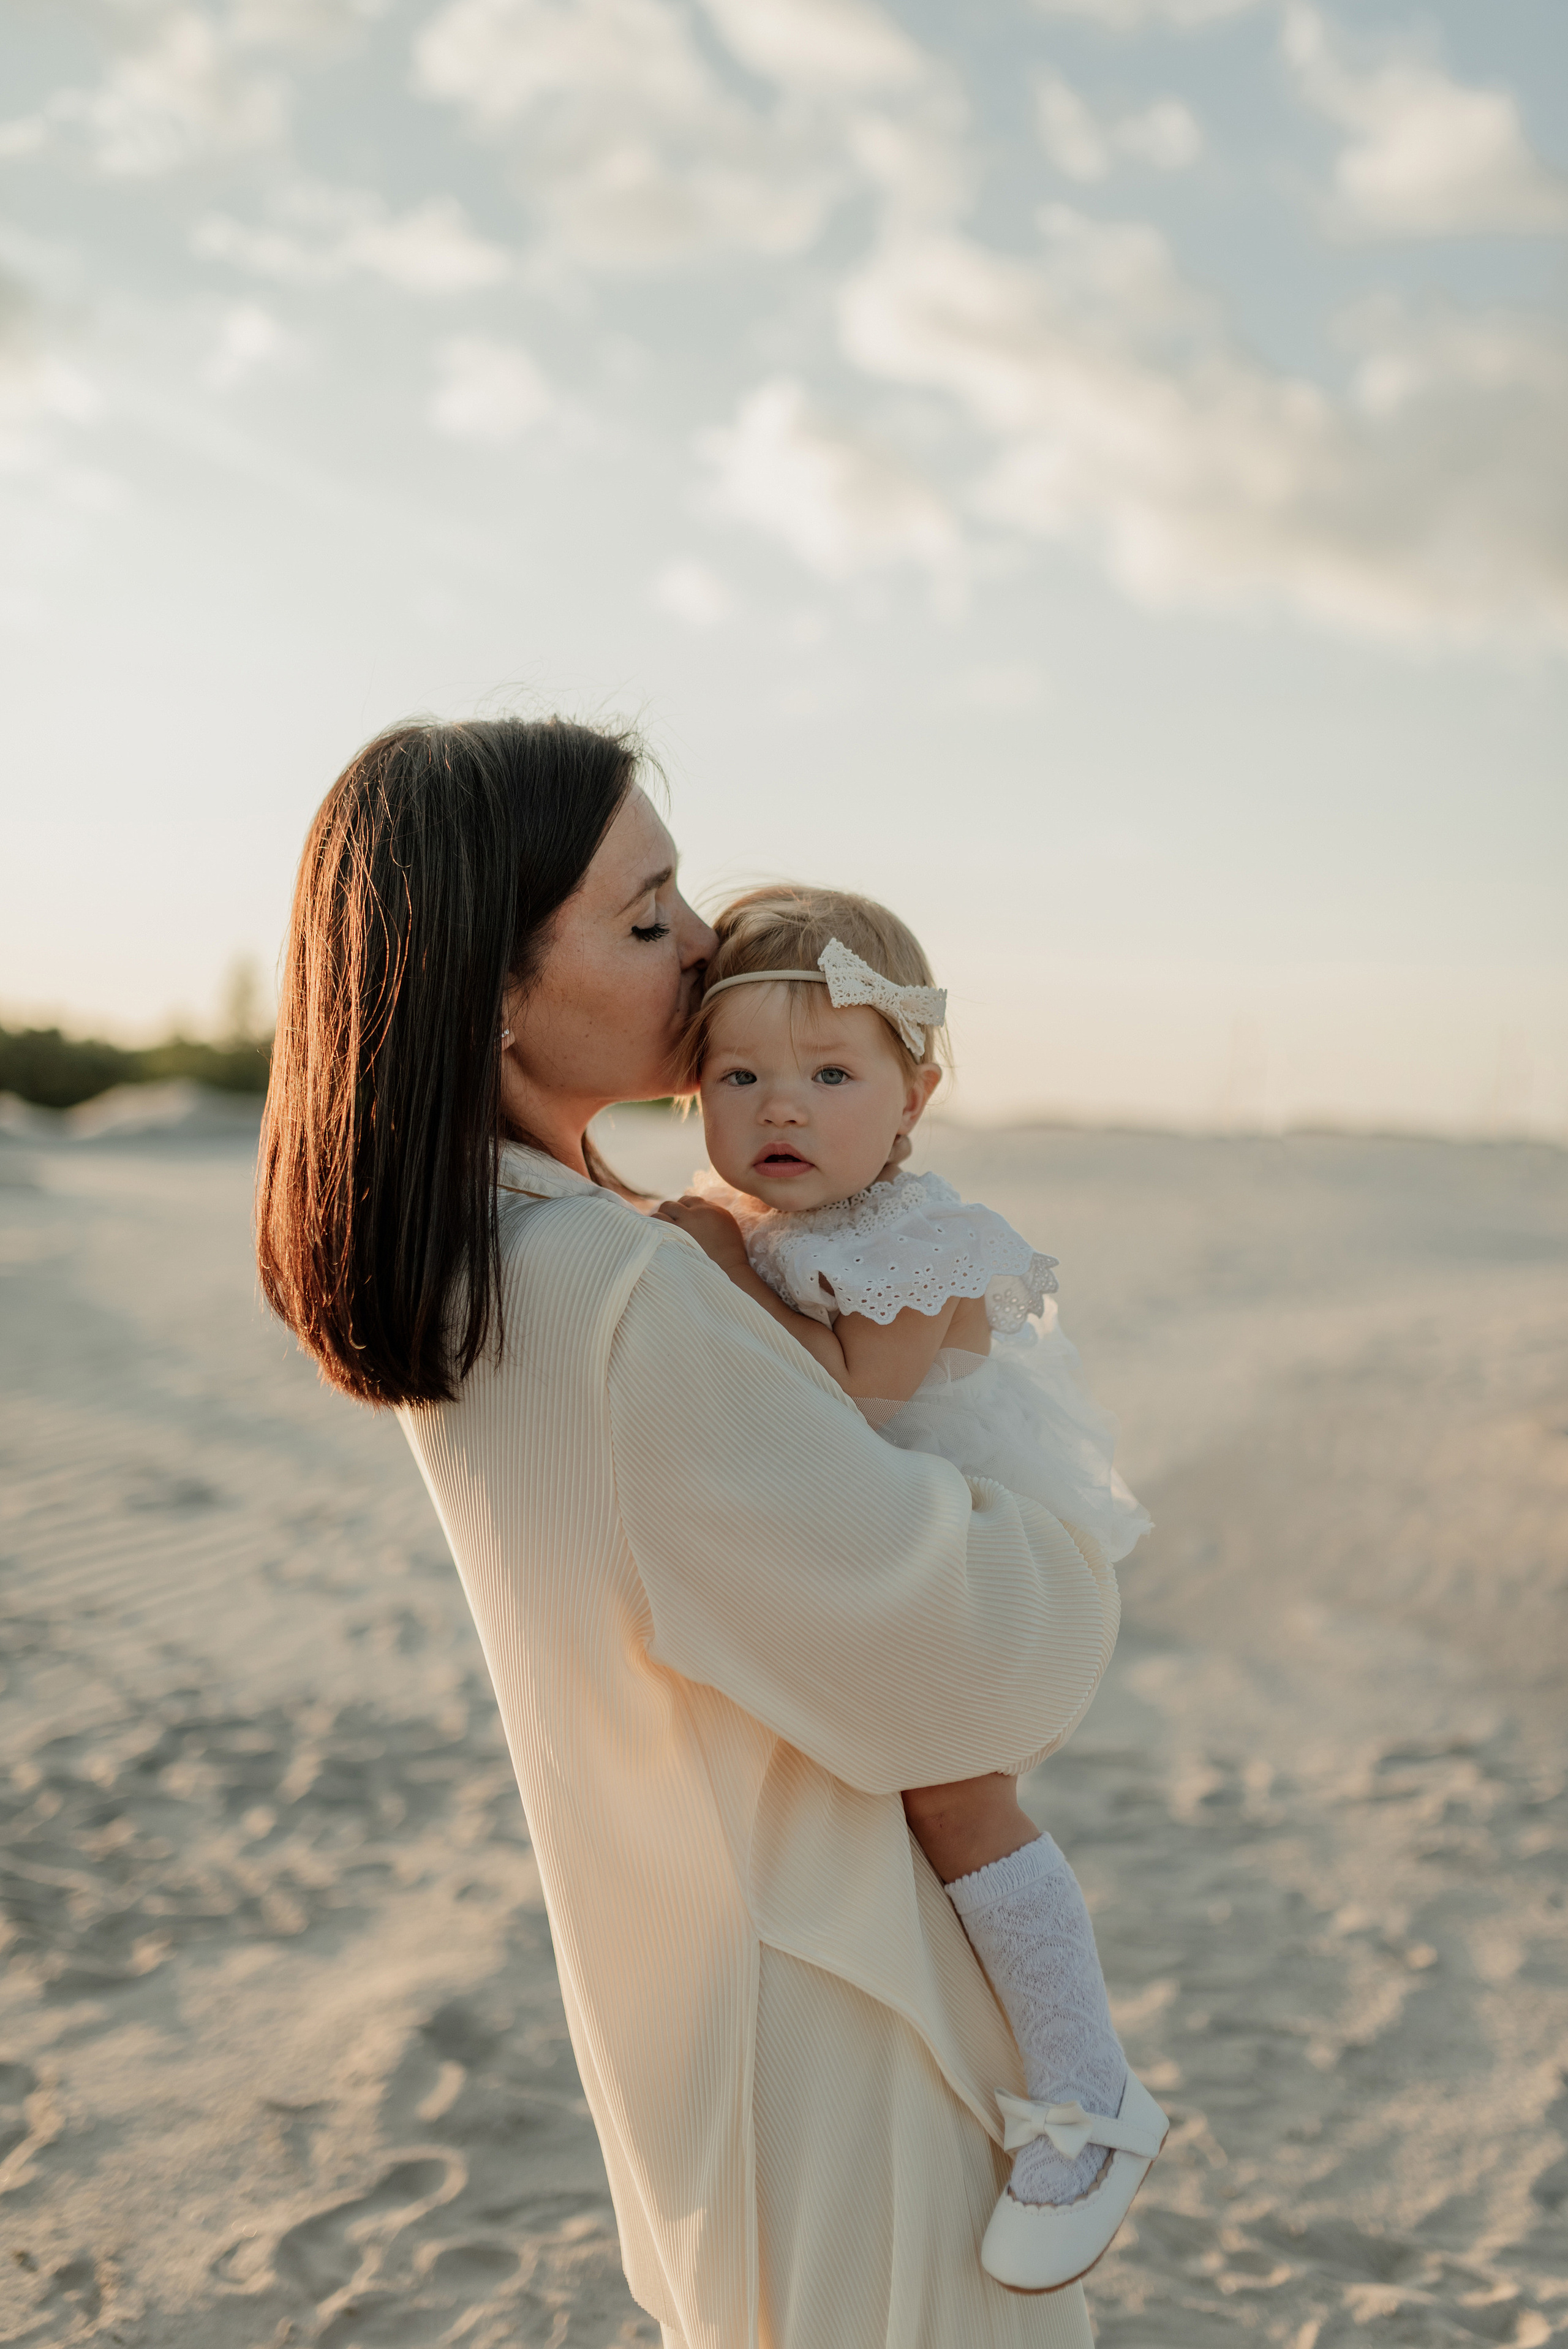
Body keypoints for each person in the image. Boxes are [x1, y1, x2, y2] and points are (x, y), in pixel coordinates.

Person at [257, 714, 1123, 2349]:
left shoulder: (495, 1250)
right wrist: (1048, 1540)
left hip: (691, 1980)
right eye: (648, 916)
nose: (711, 945)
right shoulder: (621, 1291)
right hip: (830, 2001)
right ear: (496, 988)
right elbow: (976, 1657)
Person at [657, 885, 1164, 2293]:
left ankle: (1091, 2086)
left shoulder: (910, 1243)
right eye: (739, 1075)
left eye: (831, 1075)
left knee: (957, 1796)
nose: (782, 1109)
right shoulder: (746, 1212)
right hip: (867, 1562)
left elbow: (839, 1414)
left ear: (912, 1096)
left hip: (969, 1565)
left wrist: (706, 1261)